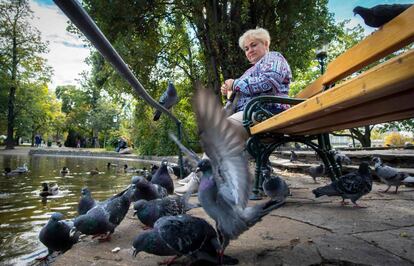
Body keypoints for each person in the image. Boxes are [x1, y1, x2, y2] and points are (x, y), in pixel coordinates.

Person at [220, 27, 292, 139]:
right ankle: (208, 157)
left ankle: (208, 157)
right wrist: (229, 90)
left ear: (266, 44)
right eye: (246, 48)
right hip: (252, 112)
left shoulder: (273, 57)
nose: (250, 51)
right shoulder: (249, 71)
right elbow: (242, 89)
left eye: (253, 45)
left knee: (222, 130)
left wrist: (234, 84)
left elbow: (269, 82)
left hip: (269, 110)